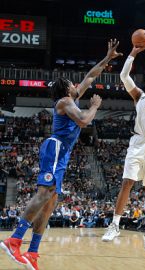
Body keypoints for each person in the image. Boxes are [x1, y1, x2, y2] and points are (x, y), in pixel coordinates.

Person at [0, 39, 122, 270]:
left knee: (50, 203)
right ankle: (14, 240)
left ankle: (32, 253)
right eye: (72, 84)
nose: (78, 84)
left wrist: (107, 58)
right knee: (45, 194)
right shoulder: (65, 101)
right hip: (55, 147)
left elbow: (91, 76)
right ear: (67, 89)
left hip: (62, 152)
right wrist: (95, 105)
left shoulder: (71, 98)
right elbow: (85, 120)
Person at [102, 26, 145, 252]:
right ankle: (115, 224)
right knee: (127, 181)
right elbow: (124, 76)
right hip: (138, 142)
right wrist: (133, 52)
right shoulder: (138, 96)